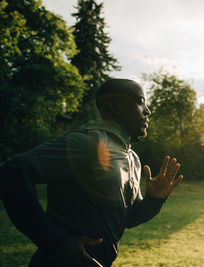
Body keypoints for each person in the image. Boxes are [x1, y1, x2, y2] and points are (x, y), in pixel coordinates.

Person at [0, 79, 183, 267]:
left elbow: (129, 219)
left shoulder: (133, 159)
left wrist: (155, 200)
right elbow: (12, 174)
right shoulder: (85, 143)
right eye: (141, 101)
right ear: (115, 106)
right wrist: (57, 243)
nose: (148, 111)